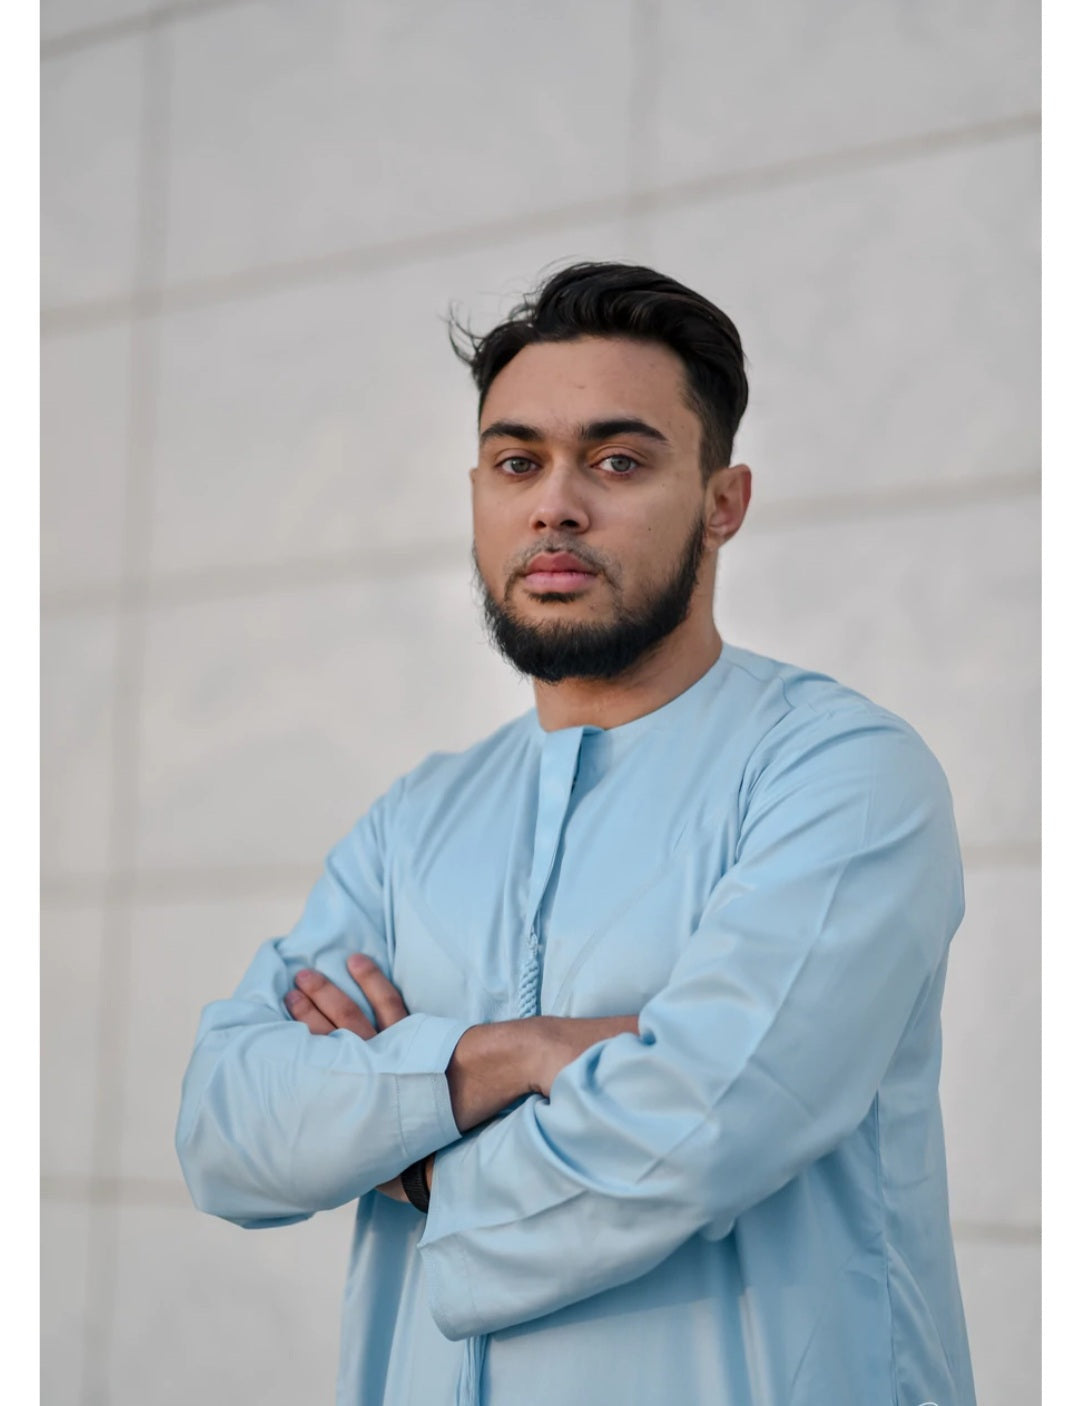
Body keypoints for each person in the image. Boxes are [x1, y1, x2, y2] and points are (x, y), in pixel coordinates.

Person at [176, 262, 976, 1406]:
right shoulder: (419, 819)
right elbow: (225, 1124)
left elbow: (691, 1133)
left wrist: (393, 1137)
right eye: (518, 462)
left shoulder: (839, 775)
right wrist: (499, 1056)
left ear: (723, 500)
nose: (556, 502)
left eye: (618, 460)